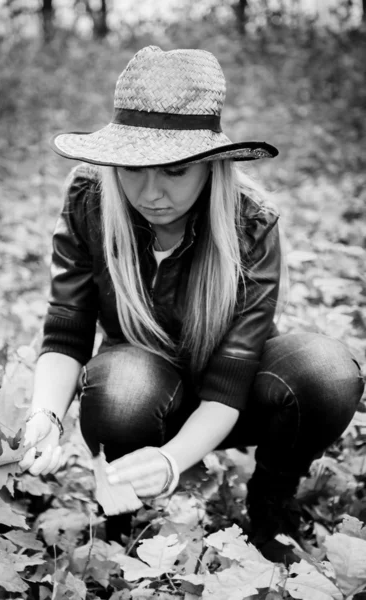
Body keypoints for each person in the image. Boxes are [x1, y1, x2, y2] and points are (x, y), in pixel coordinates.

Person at [19, 46, 364, 562]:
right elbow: (67, 327)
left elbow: (231, 380)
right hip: (138, 389)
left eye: (175, 171)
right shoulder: (90, 198)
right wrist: (44, 413)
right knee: (122, 388)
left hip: (237, 392)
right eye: (133, 169)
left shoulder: (251, 222)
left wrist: (173, 461)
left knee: (327, 371)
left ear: (211, 166)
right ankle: (122, 520)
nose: (150, 192)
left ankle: (271, 507)